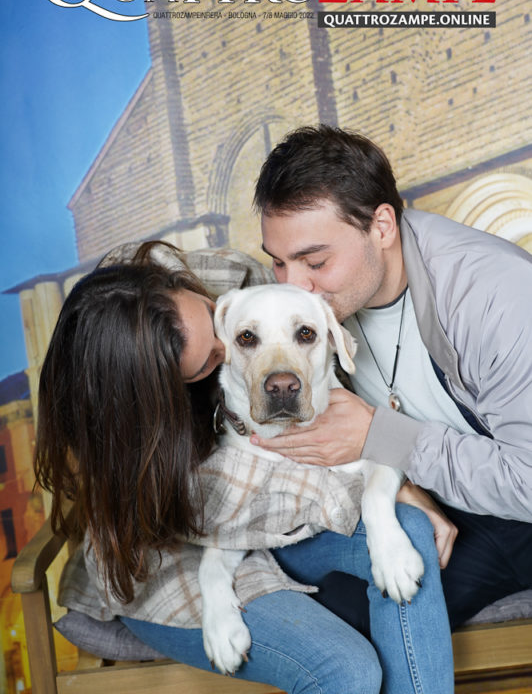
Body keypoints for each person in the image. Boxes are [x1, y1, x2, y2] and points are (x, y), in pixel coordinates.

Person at [35, 240, 453, 694]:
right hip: (172, 563)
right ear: (161, 390)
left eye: (221, 326)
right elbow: (238, 513)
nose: (228, 353)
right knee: (347, 670)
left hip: (283, 529)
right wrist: (383, 470)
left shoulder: (240, 291)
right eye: (216, 358)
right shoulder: (158, 453)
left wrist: (391, 478)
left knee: (406, 528)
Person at [251, 124, 532, 630]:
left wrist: (385, 439)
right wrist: (400, 485)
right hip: (449, 501)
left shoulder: (497, 295)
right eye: (278, 263)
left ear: (382, 226)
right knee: (327, 615)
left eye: (314, 260)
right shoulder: (315, 310)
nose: (295, 288)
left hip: (521, 508)